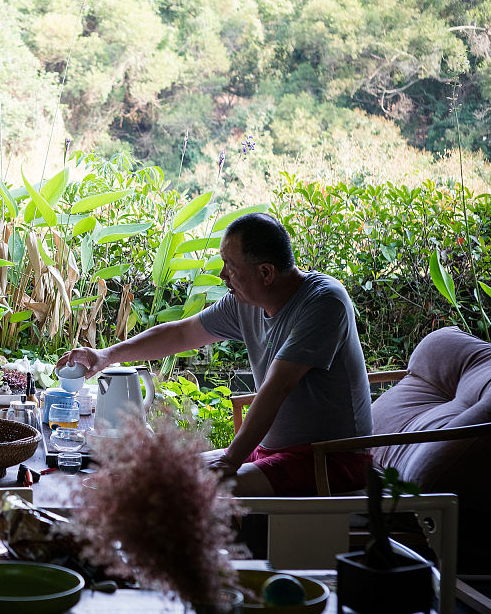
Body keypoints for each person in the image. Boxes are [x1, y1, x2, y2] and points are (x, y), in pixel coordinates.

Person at [59, 212, 372, 496]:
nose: (223, 275)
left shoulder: (324, 302)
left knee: (186, 493)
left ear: (266, 273)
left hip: (328, 460)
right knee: (155, 476)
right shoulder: (246, 301)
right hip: (270, 451)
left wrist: (229, 461)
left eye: (231, 267)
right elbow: (183, 332)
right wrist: (106, 355)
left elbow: (278, 386)